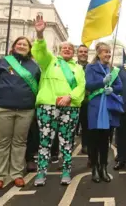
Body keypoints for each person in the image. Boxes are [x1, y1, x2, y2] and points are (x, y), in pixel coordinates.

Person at [31, 15, 86, 186]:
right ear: (59, 50)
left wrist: (70, 97)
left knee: (67, 141)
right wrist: (40, 34)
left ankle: (66, 171)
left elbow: (81, 86)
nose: (68, 50)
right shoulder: (50, 62)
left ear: (74, 52)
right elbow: (40, 52)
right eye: (64, 48)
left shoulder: (78, 68)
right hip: (47, 106)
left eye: (70, 48)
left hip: (70, 108)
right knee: (45, 140)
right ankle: (41, 173)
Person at [0, 36, 40, 190]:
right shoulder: (1, 63)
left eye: (25, 44)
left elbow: (37, 85)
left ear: (29, 48)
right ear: (14, 46)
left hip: (25, 109)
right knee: (1, 143)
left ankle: (17, 174)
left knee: (20, 142)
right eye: (19, 43)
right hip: (3, 108)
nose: (22, 46)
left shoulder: (34, 66)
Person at [85, 42, 123, 183]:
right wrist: (102, 82)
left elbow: (120, 86)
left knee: (105, 141)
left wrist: (113, 89)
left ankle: (103, 168)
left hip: (108, 108)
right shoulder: (91, 67)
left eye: (109, 52)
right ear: (99, 53)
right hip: (95, 107)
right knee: (94, 140)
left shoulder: (112, 70)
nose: (108, 55)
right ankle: (94, 169)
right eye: (105, 52)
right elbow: (88, 85)